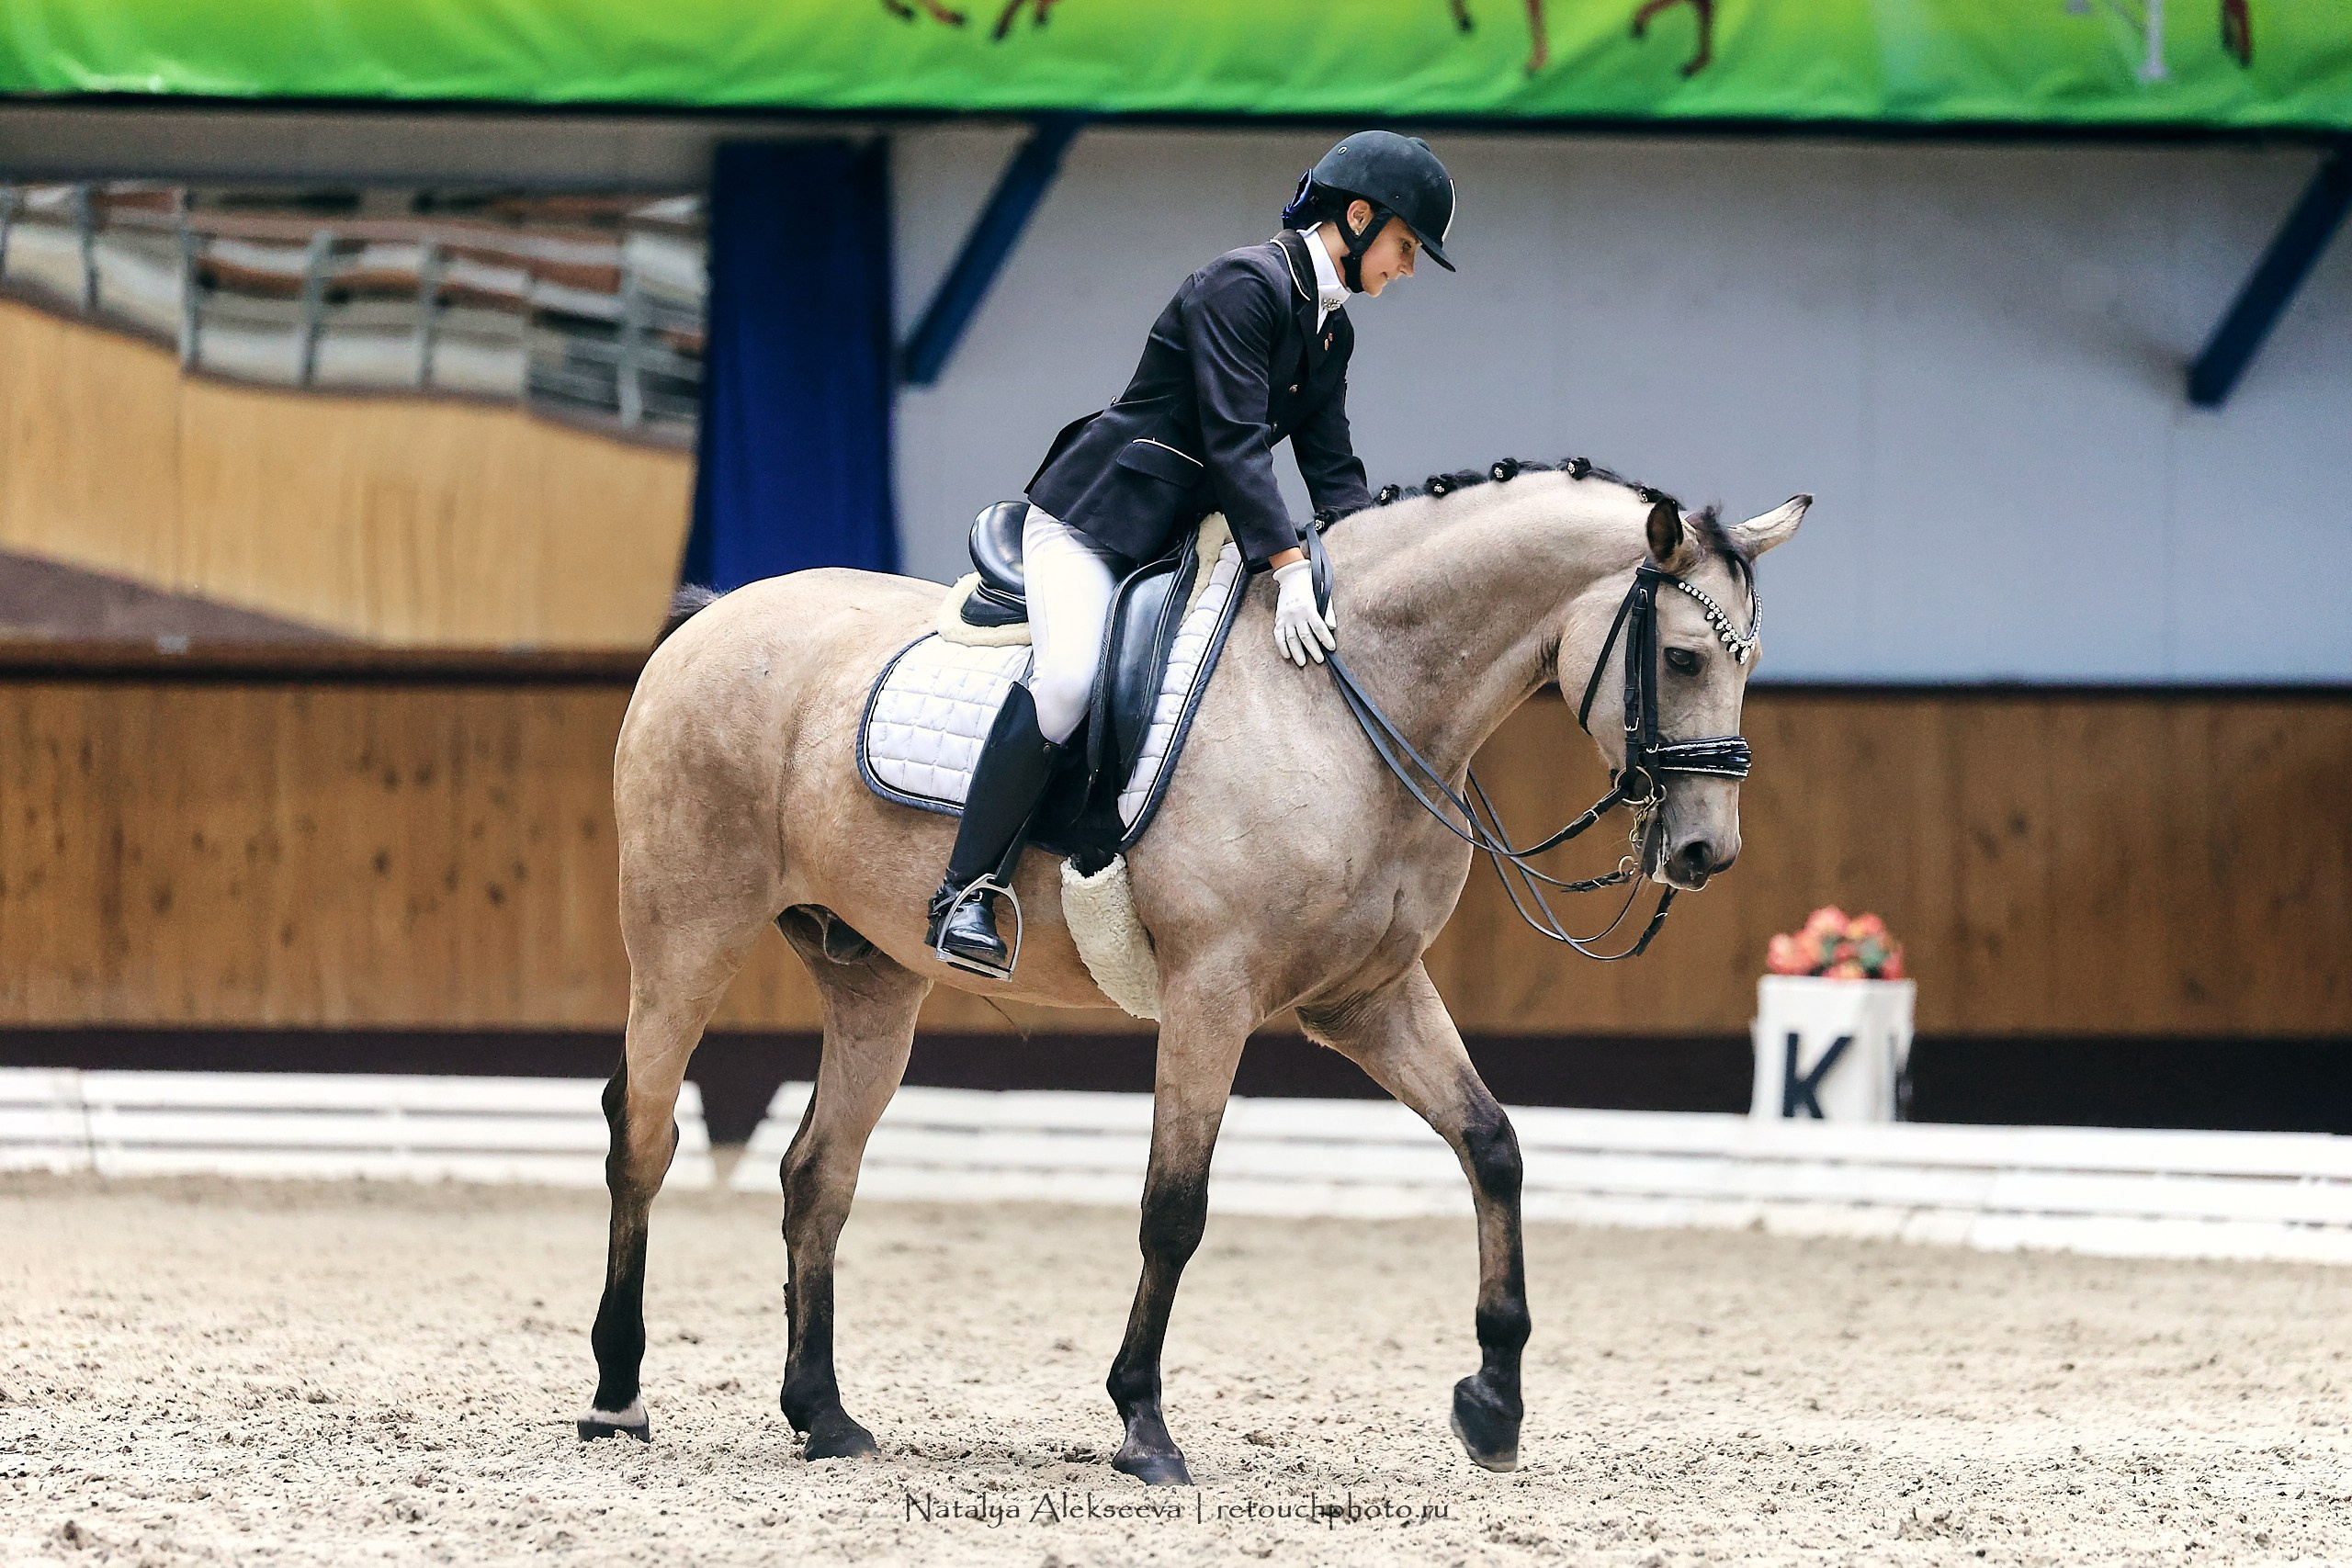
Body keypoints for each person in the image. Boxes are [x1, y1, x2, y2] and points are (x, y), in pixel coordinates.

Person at [925, 130, 1459, 978]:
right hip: (1095, 523)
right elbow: (1235, 446)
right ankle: (964, 888)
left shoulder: (1332, 333)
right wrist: (1288, 569)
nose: (1409, 267)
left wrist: (1366, 563)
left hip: (1185, 543)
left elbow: (1331, 466)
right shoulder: (1241, 286)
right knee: (1068, 681)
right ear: (1358, 220)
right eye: (1405, 245)